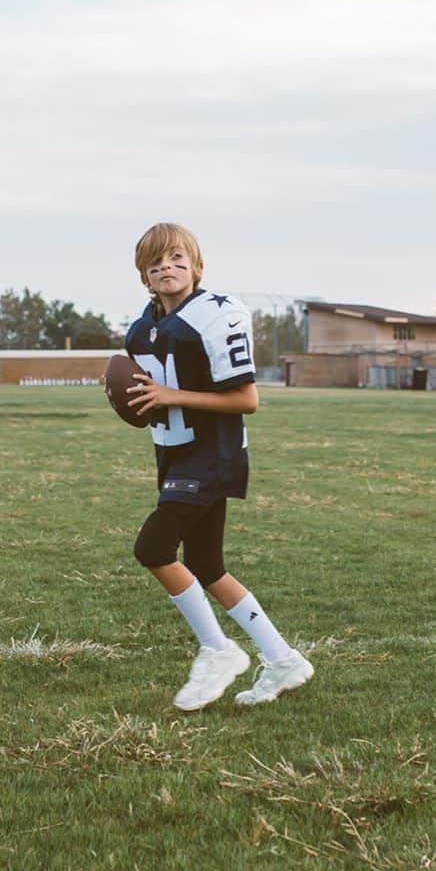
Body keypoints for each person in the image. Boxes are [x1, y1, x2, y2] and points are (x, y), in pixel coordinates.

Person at [124, 222, 313, 711]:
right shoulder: (142, 328)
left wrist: (171, 395)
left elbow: (247, 399)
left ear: (198, 267)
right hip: (175, 453)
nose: (167, 268)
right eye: (156, 263)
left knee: (154, 547)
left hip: (213, 453)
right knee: (207, 565)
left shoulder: (216, 315)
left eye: (177, 259)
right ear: (145, 276)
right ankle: (283, 659)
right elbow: (152, 394)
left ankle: (218, 650)